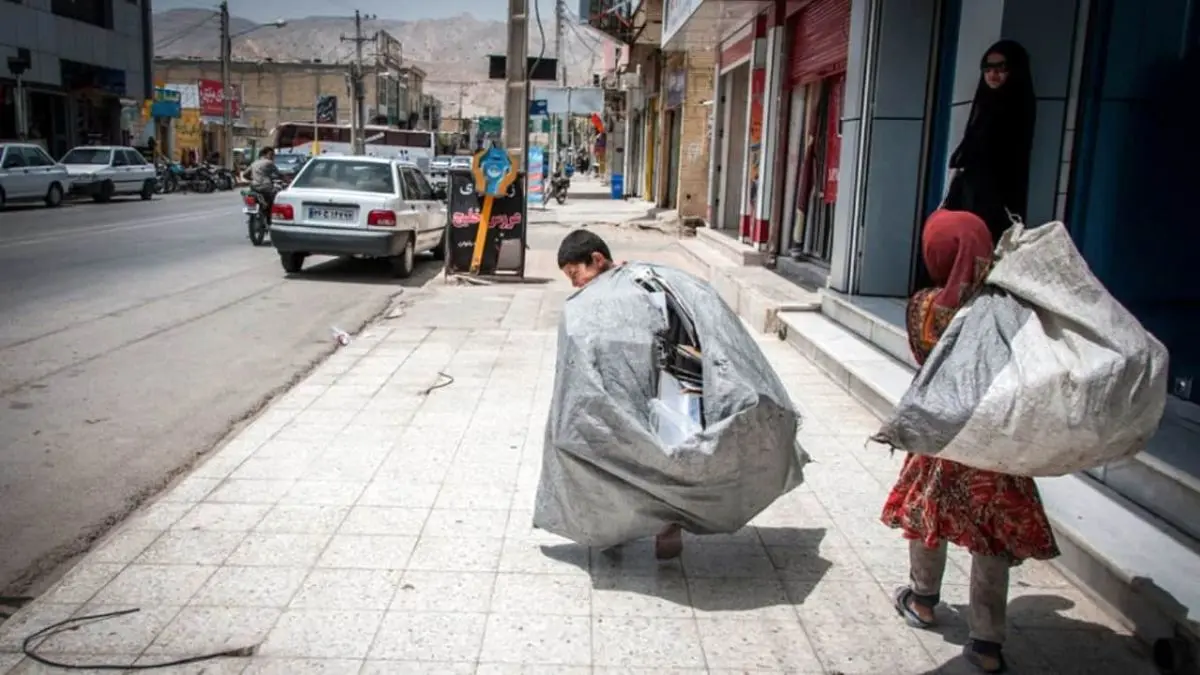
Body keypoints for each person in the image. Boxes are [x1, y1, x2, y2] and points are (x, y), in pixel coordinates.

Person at [882, 209, 1059, 674]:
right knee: (991, 537)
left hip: (942, 439)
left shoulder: (923, 306)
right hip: (994, 445)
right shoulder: (1009, 311)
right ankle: (986, 644)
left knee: (926, 516)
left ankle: (922, 599)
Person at [555, 230, 682, 558]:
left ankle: (662, 525)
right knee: (625, 457)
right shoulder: (616, 290)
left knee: (650, 454)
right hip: (612, 391)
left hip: (648, 389)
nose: (574, 284)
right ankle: (625, 525)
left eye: (575, 274)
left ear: (597, 260)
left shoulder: (638, 284)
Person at [945, 40, 1036, 245]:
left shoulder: (1016, 109)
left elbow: (1009, 161)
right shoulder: (985, 104)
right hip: (971, 198)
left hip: (997, 202)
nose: (993, 75)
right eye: (987, 68)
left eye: (1001, 68)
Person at [243, 146, 283, 217]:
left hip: (254, 187)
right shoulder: (269, 162)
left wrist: (253, 179)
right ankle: (269, 215)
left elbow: (245, 174)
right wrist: (288, 181)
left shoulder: (254, 163)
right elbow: (279, 175)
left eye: (273, 155)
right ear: (264, 154)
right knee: (275, 198)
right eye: (271, 155)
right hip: (265, 187)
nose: (273, 157)